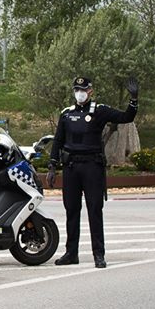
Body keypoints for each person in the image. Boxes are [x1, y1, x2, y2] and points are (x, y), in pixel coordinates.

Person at [46, 76, 139, 268]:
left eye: (83, 89)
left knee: (94, 210)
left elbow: (125, 117)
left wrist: (134, 100)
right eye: (76, 89)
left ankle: (99, 254)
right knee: (71, 210)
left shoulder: (100, 111)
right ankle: (71, 253)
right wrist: (52, 165)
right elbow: (58, 141)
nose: (79, 93)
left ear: (90, 91)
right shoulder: (66, 114)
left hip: (92, 167)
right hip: (71, 167)